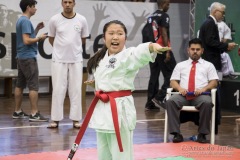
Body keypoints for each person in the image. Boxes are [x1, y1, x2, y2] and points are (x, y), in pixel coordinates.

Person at [83, 20, 170, 160]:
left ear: (125, 38)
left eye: (119, 33)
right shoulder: (101, 58)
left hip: (119, 109)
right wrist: (99, 85)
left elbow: (138, 53)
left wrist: (151, 46)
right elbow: (110, 78)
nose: (115, 37)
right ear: (104, 38)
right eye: (111, 33)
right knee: (103, 153)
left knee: (120, 154)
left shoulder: (127, 56)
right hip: (102, 109)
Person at [165, 38, 219, 143]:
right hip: (183, 96)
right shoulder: (180, 65)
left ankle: (202, 134)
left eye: (197, 49)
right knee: (171, 101)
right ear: (188, 50)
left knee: (207, 102)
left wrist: (203, 89)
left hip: (200, 95)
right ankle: (176, 134)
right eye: (192, 49)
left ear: (202, 50)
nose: (195, 51)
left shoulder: (208, 65)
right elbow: (173, 81)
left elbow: (214, 82)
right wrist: (180, 89)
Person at [47, 0, 89, 129]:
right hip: (59, 59)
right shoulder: (54, 19)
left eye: (70, 2)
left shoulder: (82, 19)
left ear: (74, 3)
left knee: (76, 89)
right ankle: (55, 119)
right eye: (65, 2)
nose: (67, 4)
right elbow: (51, 38)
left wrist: (73, 49)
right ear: (62, 3)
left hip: (76, 59)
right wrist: (60, 50)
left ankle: (76, 119)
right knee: (58, 89)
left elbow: (83, 39)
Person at [12, 0, 48, 121]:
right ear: (28, 7)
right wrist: (40, 37)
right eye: (34, 7)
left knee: (20, 85)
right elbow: (27, 41)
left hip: (21, 57)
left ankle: (17, 111)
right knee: (33, 86)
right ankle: (34, 114)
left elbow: (26, 38)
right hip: (28, 58)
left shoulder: (21, 20)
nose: (36, 9)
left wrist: (36, 29)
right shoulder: (26, 21)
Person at [146, 0, 176, 111]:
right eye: (168, 4)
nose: (169, 6)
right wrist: (167, 50)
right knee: (172, 73)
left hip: (152, 49)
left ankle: (150, 102)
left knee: (154, 75)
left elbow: (146, 33)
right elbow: (163, 32)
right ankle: (160, 97)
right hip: (162, 49)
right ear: (163, 4)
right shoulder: (164, 16)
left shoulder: (150, 17)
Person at [198, 2, 237, 72]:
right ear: (215, 11)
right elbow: (210, 41)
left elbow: (211, 44)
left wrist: (225, 48)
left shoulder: (209, 22)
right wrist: (226, 45)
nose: (223, 15)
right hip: (211, 62)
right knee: (214, 82)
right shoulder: (210, 23)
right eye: (222, 12)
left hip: (210, 61)